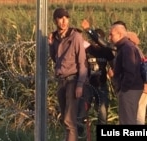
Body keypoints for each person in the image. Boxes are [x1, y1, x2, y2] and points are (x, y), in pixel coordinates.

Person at [48, 8, 88, 141]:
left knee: (69, 119)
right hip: (61, 80)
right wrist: (51, 45)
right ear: (55, 20)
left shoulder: (75, 36)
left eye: (66, 18)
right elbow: (56, 59)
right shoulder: (56, 38)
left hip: (73, 80)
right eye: (60, 18)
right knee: (66, 117)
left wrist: (80, 84)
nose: (64, 21)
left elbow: (82, 62)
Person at [108, 24, 144, 124]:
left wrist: (123, 89)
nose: (109, 38)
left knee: (127, 121)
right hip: (131, 88)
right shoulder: (125, 47)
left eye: (111, 35)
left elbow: (130, 70)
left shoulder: (127, 48)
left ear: (119, 34)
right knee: (128, 119)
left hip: (129, 89)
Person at [126, 32, 147, 125]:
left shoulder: (131, 51)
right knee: (140, 111)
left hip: (141, 86)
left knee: (137, 112)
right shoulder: (137, 50)